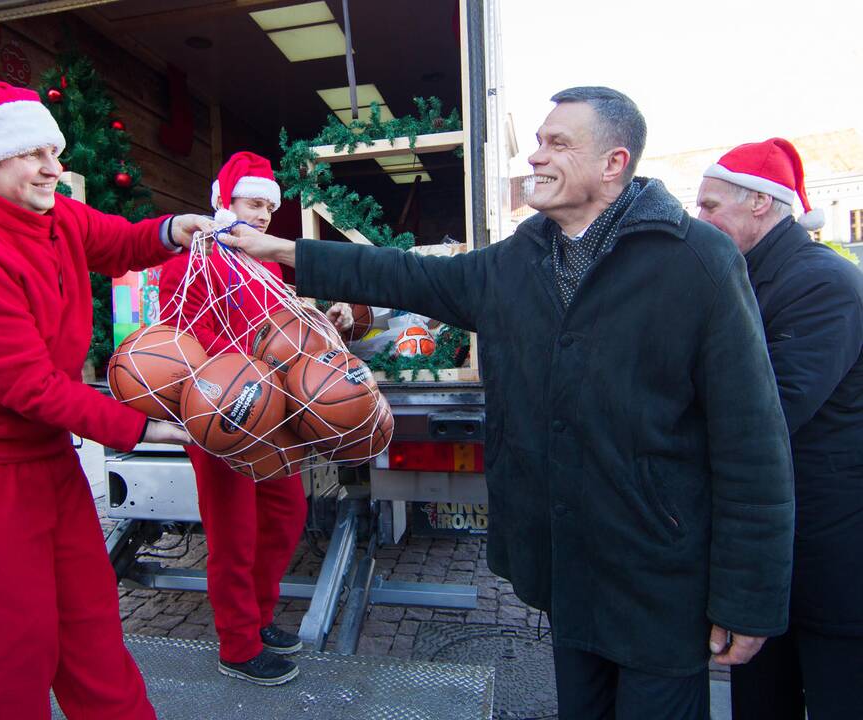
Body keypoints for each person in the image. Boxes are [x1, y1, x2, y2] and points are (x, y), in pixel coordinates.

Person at [221, 87, 795, 718]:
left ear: (613, 162)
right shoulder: (520, 260)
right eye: (539, 141)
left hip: (658, 578)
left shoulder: (697, 262)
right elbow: (411, 275)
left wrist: (749, 598)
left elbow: (752, 441)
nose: (537, 158)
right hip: (567, 570)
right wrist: (285, 251)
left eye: (558, 144)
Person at [0, 81, 217, 720]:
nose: (53, 167)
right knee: (20, 640)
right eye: (32, 153)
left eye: (54, 149)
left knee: (90, 619)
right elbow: (28, 386)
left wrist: (173, 228)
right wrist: (142, 428)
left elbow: (119, 243)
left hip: (44, 454)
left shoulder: (54, 213)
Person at [158, 151, 350, 686]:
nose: (263, 215)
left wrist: (318, 320)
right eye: (252, 203)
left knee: (285, 516)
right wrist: (269, 358)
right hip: (220, 416)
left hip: (271, 417)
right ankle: (238, 645)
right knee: (233, 535)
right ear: (224, 201)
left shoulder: (264, 265)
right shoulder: (187, 263)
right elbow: (185, 344)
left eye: (269, 206)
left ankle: (259, 619)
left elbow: (281, 327)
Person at [696, 138, 863, 720]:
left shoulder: (822, 285)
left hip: (830, 554)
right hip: (772, 555)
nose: (702, 219)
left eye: (711, 206)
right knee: (759, 700)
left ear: (760, 204)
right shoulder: (746, 279)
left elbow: (770, 414)